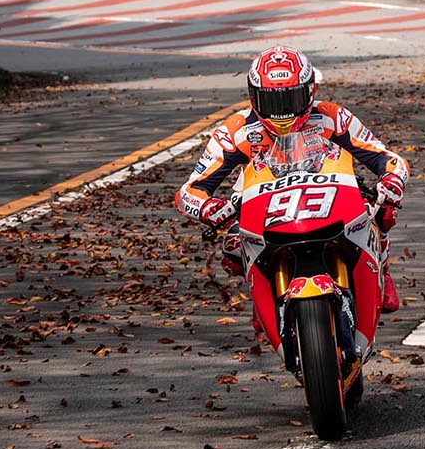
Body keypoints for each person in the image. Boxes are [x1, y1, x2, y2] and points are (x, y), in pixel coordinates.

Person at [174, 45, 408, 313]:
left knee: (383, 208)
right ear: (253, 96)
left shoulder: (332, 116)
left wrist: (392, 179)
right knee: (233, 247)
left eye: (290, 99)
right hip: (264, 207)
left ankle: (383, 271)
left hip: (330, 195)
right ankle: (265, 299)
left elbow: (386, 157)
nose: (281, 111)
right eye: (272, 101)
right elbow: (189, 191)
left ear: (310, 92)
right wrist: (209, 207)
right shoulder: (235, 131)